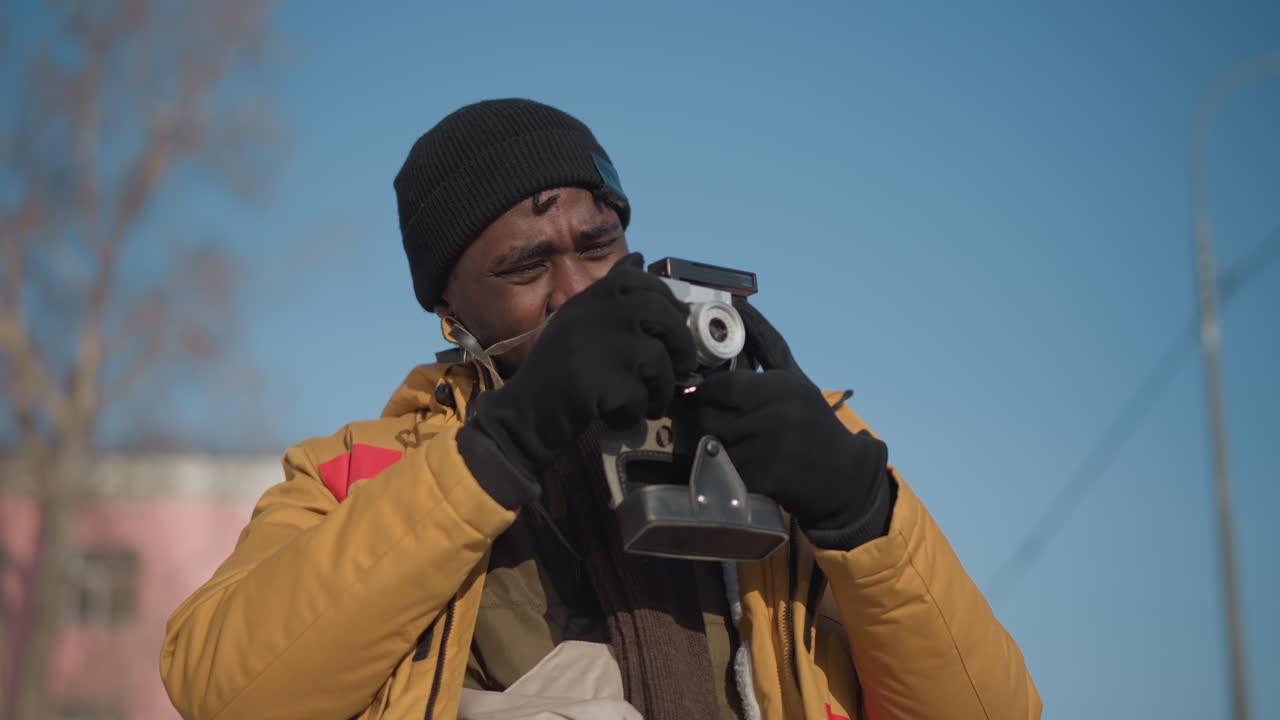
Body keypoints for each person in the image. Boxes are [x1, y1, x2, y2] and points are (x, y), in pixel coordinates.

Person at [160, 99, 1041, 720]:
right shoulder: (356, 472)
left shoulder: (782, 444)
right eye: (524, 267)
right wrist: (500, 448)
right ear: (449, 310)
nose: (577, 291)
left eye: (598, 244)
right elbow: (225, 691)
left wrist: (861, 511)